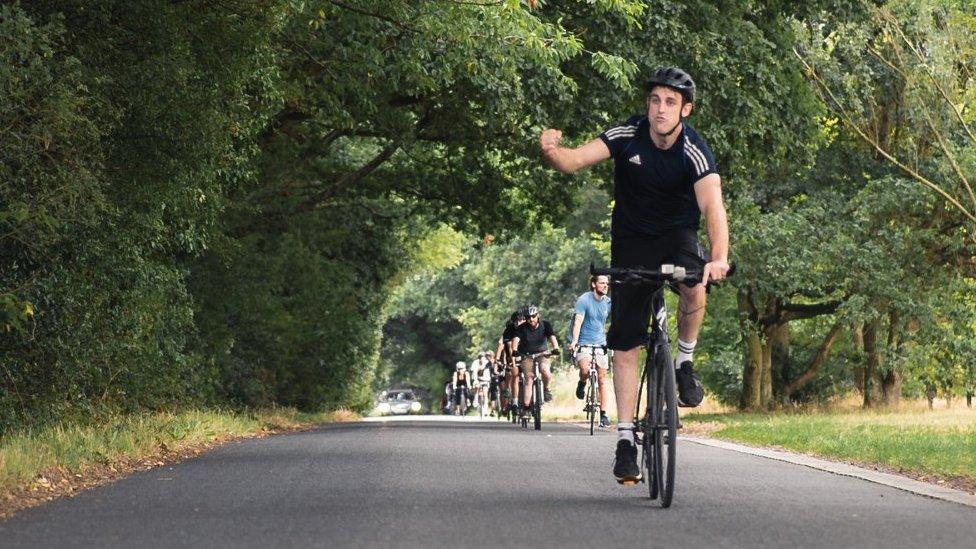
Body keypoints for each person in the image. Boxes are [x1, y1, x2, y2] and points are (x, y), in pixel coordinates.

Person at [539, 67, 730, 483]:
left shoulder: (694, 151)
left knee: (695, 282)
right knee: (626, 340)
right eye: (655, 100)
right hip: (631, 242)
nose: (660, 109)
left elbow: (713, 206)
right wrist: (554, 152)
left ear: (685, 110)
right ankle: (625, 440)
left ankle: (684, 363)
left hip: (677, 236)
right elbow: (574, 160)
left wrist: (719, 257)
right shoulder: (628, 134)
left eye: (670, 102)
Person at [568, 275, 612, 428]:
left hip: (601, 344)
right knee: (585, 370)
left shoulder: (608, 302)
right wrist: (574, 341)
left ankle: (604, 414)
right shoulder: (584, 300)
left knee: (601, 379)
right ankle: (582, 382)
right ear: (594, 284)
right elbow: (578, 321)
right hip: (584, 342)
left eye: (607, 283)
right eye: (602, 283)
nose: (605, 286)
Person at [510, 304, 560, 417]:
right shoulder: (521, 328)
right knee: (529, 377)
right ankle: (526, 407)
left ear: (538, 315)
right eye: (528, 317)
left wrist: (556, 348)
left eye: (533, 316)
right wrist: (514, 350)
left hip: (542, 353)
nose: (531, 319)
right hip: (526, 355)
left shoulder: (545, 325)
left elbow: (552, 337)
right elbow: (516, 340)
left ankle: (546, 389)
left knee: (545, 370)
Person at [494, 311, 525, 413]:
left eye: (522, 320)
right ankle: (511, 400)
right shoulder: (508, 332)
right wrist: (497, 361)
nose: (520, 323)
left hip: (525, 355)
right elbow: (504, 347)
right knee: (511, 373)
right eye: (517, 321)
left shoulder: (528, 329)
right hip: (510, 356)